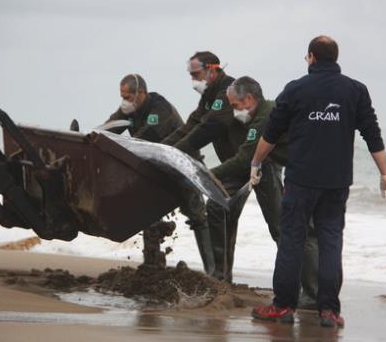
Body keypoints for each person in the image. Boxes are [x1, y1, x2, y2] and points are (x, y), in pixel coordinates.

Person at [250, 36, 386, 328]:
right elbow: (372, 133)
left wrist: (255, 163)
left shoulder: (296, 89)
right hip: (337, 183)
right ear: (335, 58)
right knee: (331, 242)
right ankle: (328, 311)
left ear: (312, 57)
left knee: (292, 240)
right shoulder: (355, 90)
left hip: (301, 180)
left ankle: (283, 307)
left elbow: (271, 132)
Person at [208, 77, 319, 301]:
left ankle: (308, 292)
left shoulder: (265, 117)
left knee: (285, 229)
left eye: (235, 105)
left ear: (249, 99)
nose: (233, 110)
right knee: (217, 205)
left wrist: (208, 175)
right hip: (277, 167)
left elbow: (244, 158)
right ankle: (222, 276)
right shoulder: (256, 113)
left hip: (291, 171)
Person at [104, 74, 211, 270]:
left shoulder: (160, 109)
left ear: (141, 93)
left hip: (184, 166)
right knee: (148, 211)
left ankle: (214, 271)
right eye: (122, 97)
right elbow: (110, 128)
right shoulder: (129, 109)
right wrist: (93, 136)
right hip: (155, 166)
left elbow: (146, 138)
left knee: (197, 217)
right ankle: (152, 264)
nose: (124, 102)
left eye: (128, 97)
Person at [162, 51, 236, 275]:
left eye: (196, 74)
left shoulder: (229, 90)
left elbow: (210, 126)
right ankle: (221, 277)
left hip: (253, 164)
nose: (194, 80)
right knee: (223, 216)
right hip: (233, 164)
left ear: (212, 69)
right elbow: (191, 124)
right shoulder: (209, 95)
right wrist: (163, 149)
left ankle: (219, 277)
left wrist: (177, 150)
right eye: (191, 75)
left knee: (277, 226)